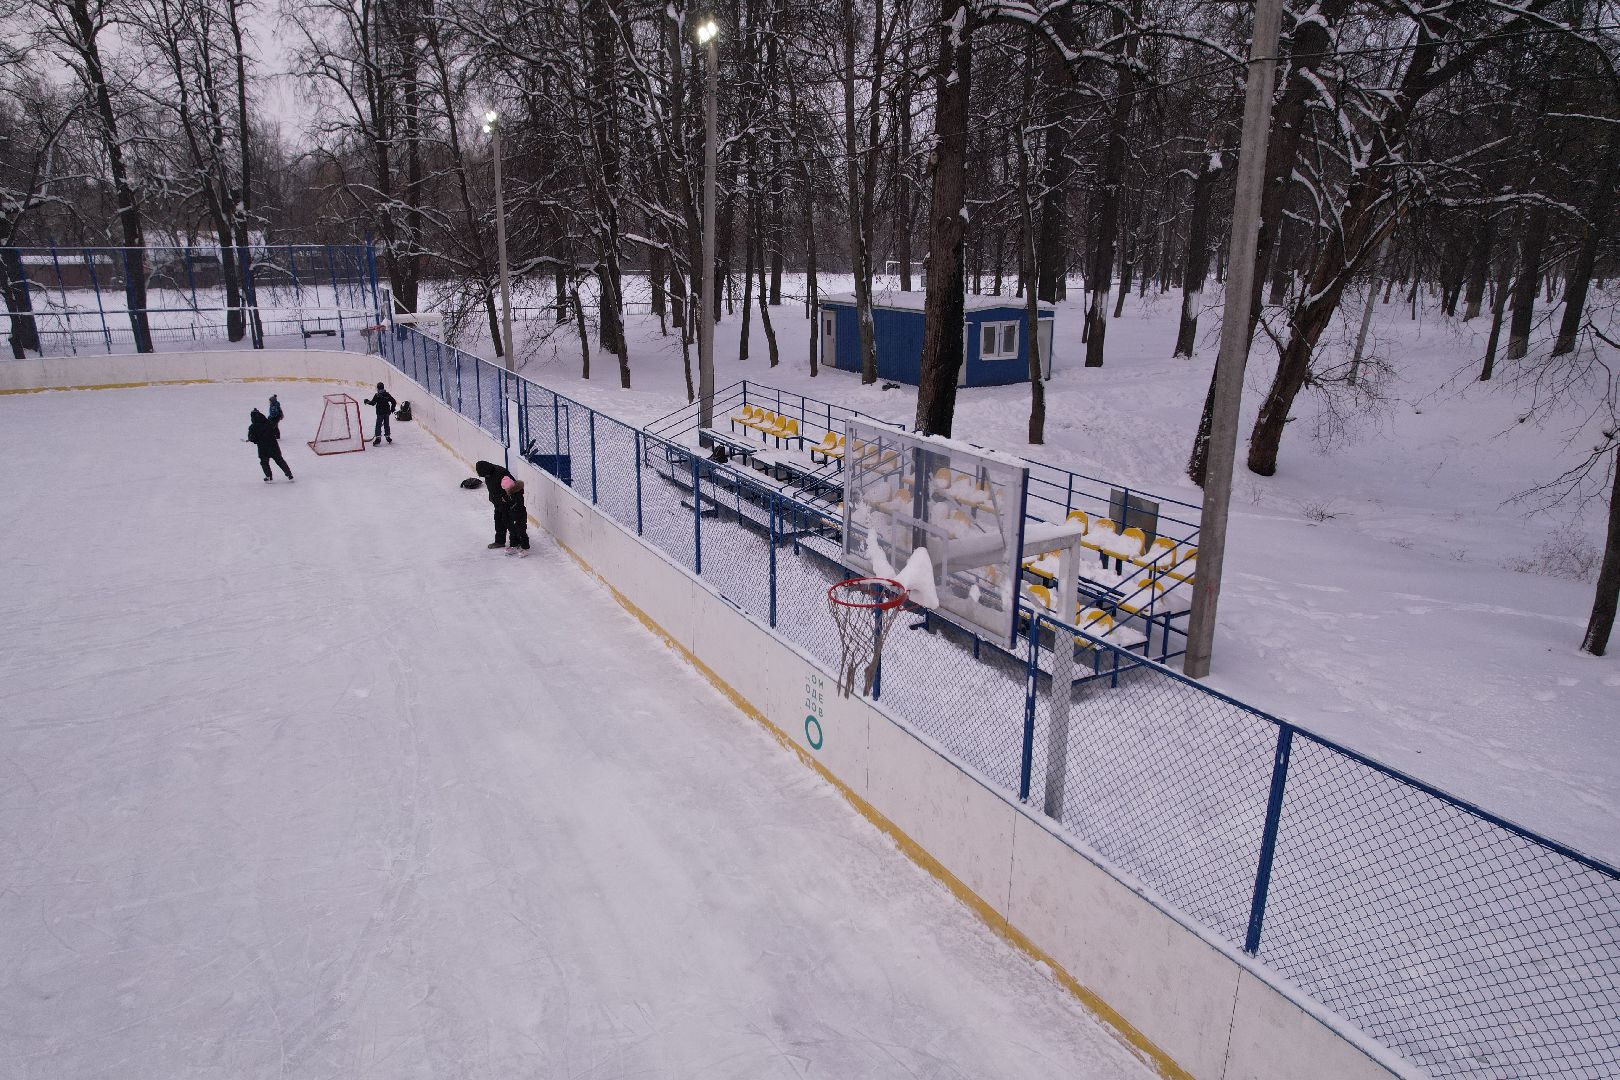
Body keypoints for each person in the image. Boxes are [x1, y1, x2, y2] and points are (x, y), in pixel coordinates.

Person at [474, 460, 513, 548]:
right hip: (497, 502)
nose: (485, 477)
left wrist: (506, 498)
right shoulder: (488, 473)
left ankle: (516, 542)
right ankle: (499, 541)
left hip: (506, 503)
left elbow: (512, 486)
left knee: (509, 522)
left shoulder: (501, 472)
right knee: (498, 521)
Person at [247, 408, 293, 482]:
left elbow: (253, 438)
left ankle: (268, 476)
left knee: (264, 462)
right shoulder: (268, 422)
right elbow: (274, 430)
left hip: (263, 448)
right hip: (273, 445)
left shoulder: (252, 427)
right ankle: (289, 474)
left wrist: (253, 440)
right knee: (279, 460)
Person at [501, 477, 530, 556]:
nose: (506, 491)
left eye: (507, 489)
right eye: (505, 489)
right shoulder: (509, 495)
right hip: (511, 516)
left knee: (521, 532)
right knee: (512, 531)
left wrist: (507, 502)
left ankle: (525, 548)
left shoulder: (517, 495)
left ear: (511, 488)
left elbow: (516, 506)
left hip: (519, 517)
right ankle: (514, 545)